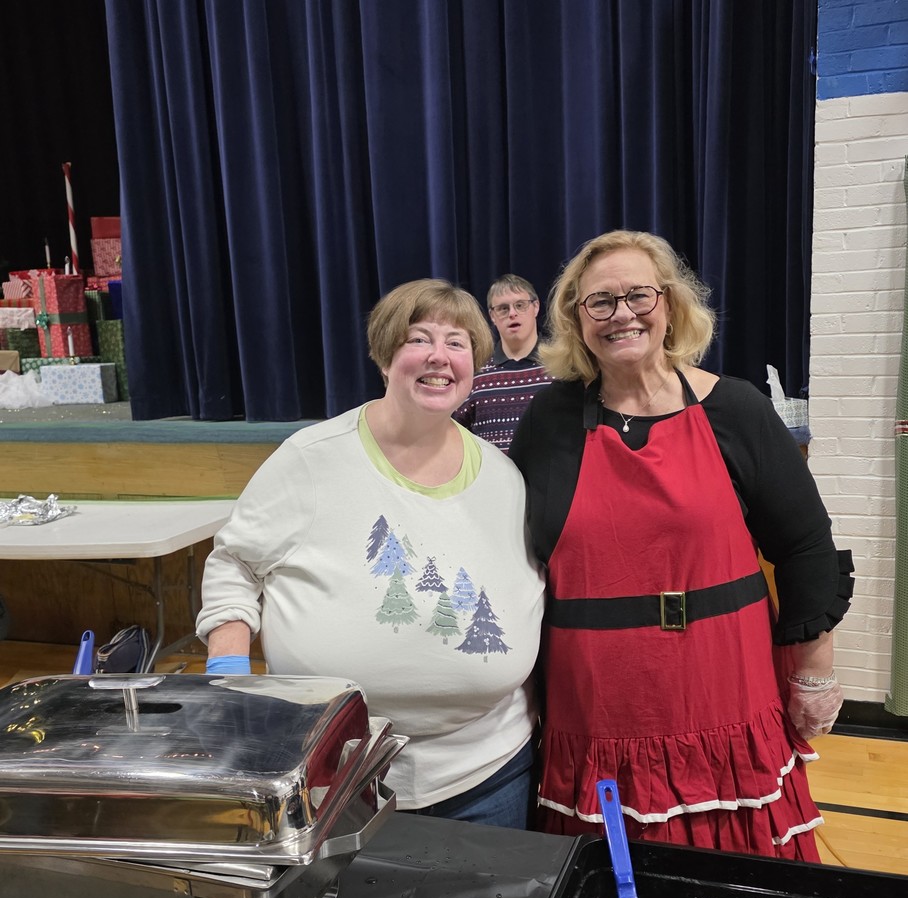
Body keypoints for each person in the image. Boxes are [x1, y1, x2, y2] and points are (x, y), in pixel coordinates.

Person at [509, 230, 854, 861]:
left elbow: (805, 546)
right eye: (600, 302)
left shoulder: (737, 408)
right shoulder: (548, 420)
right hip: (598, 707)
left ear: (670, 304)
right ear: (576, 321)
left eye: (638, 294)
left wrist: (813, 675)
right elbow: (522, 559)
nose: (622, 314)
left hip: (725, 689)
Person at [196, 279, 545, 829]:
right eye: (418, 339)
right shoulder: (311, 459)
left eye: (457, 343)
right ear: (385, 356)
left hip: (490, 772)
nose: (439, 356)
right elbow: (235, 563)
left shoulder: (503, 477)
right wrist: (230, 678)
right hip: (333, 773)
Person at [453, 274, 553, 453]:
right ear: (492, 315)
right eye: (503, 308)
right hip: (494, 479)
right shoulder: (475, 376)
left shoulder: (561, 367)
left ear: (536, 307)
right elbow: (457, 437)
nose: (512, 313)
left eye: (520, 305)